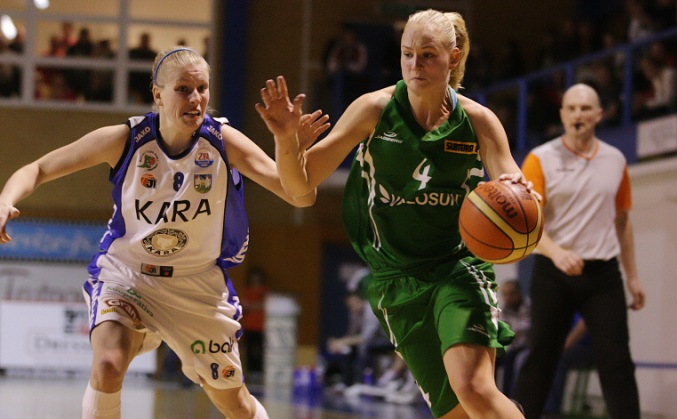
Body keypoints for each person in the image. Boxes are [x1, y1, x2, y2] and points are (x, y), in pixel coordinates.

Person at [0, 46, 326, 419]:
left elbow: (300, 196)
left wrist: (286, 141)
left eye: (202, 88)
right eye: (183, 89)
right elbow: (38, 169)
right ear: (158, 95)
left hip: (196, 286)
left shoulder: (222, 141)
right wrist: (5, 200)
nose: (196, 98)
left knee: (236, 405)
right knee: (108, 363)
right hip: (128, 276)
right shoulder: (126, 140)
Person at [257, 9, 530, 419]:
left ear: (453, 58)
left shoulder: (477, 121)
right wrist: (285, 140)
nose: (415, 65)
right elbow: (299, 189)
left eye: (428, 55)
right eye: (407, 54)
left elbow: (511, 180)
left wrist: (521, 193)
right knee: (457, 413)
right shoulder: (373, 109)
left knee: (475, 388)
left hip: (457, 268)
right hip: (396, 279)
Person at [512, 83, 646, 418]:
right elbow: (528, 224)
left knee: (617, 361)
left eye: (585, 108)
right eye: (571, 108)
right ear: (562, 115)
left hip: (602, 275)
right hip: (553, 274)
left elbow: (622, 221)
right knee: (541, 358)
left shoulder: (615, 160)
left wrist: (633, 277)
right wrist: (556, 252)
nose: (578, 114)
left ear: (598, 115)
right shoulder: (540, 158)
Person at [497, 279, 530, 396]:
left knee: (512, 359)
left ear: (518, 293)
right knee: (490, 357)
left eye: (511, 294)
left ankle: (511, 396)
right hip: (509, 346)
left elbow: (525, 329)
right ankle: (490, 396)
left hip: (526, 346)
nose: (508, 298)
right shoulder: (503, 310)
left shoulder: (530, 307)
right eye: (505, 295)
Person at [240, 267, 269, 377]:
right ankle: (250, 371)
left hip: (262, 326)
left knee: (261, 350)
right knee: (249, 350)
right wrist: (254, 305)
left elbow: (265, 305)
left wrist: (253, 305)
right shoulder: (248, 290)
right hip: (249, 325)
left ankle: (260, 371)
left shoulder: (265, 291)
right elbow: (244, 305)